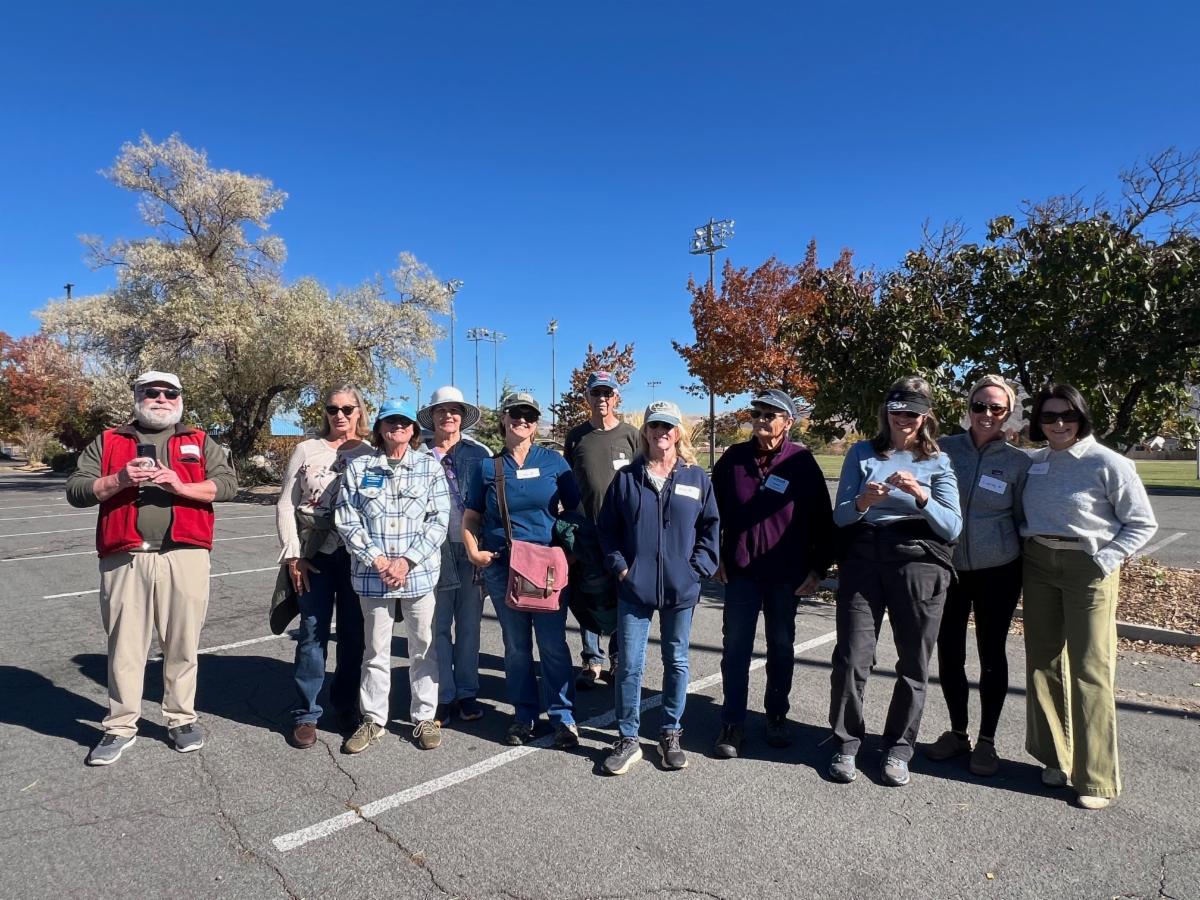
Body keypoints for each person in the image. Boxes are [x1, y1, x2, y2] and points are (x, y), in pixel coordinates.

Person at [67, 371, 238, 766]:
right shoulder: (110, 440)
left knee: (182, 643)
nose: (161, 399)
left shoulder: (196, 439)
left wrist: (181, 487)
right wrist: (119, 479)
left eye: (169, 393)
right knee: (125, 647)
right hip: (125, 557)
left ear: (179, 398)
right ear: (137, 396)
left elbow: (226, 485)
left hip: (186, 555)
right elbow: (77, 490)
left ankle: (180, 719)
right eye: (151, 392)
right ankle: (120, 726)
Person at [1020, 383, 1157, 810]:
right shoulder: (1036, 462)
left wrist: (1105, 560)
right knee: (1042, 661)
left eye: (1067, 415)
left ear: (1081, 417)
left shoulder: (1108, 462)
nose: (1058, 423)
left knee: (1090, 668)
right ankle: (1055, 759)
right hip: (1038, 563)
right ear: (1038, 422)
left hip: (1089, 568)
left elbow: (1141, 522)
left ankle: (1095, 778)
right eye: (1049, 416)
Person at [827, 376, 962, 787]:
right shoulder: (862, 452)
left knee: (913, 661)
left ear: (925, 418)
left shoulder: (938, 460)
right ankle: (847, 742)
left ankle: (900, 748)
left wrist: (922, 497)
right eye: (896, 410)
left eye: (912, 413)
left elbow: (952, 527)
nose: (903, 419)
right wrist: (863, 502)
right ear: (886, 413)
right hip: (865, 556)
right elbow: (841, 516)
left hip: (918, 561)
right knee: (852, 656)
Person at [596, 401, 720, 775]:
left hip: (680, 590)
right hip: (635, 588)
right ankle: (628, 737)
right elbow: (608, 529)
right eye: (654, 427)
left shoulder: (696, 478)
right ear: (645, 432)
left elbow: (710, 528)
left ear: (678, 432)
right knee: (630, 665)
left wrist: (695, 569)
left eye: (667, 427)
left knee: (677, 661)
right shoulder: (628, 478)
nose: (660, 433)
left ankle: (669, 732)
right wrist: (620, 568)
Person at [711, 389, 834, 758]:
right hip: (741, 572)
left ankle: (777, 715)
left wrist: (818, 569)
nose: (762, 419)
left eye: (771, 414)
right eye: (758, 412)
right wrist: (715, 555)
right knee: (735, 648)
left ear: (789, 422)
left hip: (786, 575)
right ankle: (733, 722)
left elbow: (822, 522)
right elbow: (709, 512)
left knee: (781, 646)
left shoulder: (802, 463)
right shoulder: (733, 460)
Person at [461, 391, 581, 747]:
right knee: (515, 646)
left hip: (546, 569)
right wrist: (473, 551)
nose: (522, 420)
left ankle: (563, 717)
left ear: (536, 421)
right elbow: (471, 516)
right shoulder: (488, 467)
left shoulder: (554, 462)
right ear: (503, 418)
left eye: (529, 415)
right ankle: (524, 715)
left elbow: (575, 513)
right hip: (503, 568)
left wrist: (568, 557)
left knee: (553, 644)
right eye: (515, 413)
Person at [925, 375, 1030, 775]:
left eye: (996, 408)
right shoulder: (943, 449)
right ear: (967, 409)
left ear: (1008, 414)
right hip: (948, 568)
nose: (986, 415)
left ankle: (987, 741)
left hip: (998, 571)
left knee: (991, 654)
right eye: (979, 406)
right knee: (950, 652)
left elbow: (1022, 519)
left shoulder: (1018, 463)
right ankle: (957, 733)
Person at [335, 400, 450, 754]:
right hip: (373, 576)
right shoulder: (359, 468)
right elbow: (346, 517)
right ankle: (373, 719)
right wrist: (378, 560)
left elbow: (438, 520)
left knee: (423, 649)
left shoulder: (429, 468)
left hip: (418, 576)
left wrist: (406, 562)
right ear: (380, 429)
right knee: (375, 651)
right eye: (389, 422)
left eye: (403, 422)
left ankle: (424, 717)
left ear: (414, 429)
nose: (396, 428)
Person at [275, 384, 375, 749]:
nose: (341, 416)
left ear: (360, 412)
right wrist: (292, 554)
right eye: (333, 409)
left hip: (354, 554)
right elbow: (287, 503)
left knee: (353, 634)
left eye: (348, 409)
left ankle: (345, 704)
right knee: (313, 632)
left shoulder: (370, 453)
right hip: (313, 553)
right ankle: (306, 713)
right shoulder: (306, 449)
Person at [417, 385, 492, 725]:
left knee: (470, 625)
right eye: (441, 410)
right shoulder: (417, 456)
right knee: (437, 626)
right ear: (431, 417)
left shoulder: (479, 454)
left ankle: (467, 692)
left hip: (470, 548)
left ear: (462, 417)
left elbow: (490, 503)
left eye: (454, 410)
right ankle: (443, 695)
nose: (448, 415)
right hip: (433, 550)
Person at [563, 371, 639, 688]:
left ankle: (618, 658)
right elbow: (567, 481)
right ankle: (592, 660)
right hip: (588, 531)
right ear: (588, 398)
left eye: (607, 393)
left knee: (623, 594)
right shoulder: (576, 437)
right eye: (596, 394)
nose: (602, 399)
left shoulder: (632, 436)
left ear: (616, 397)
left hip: (624, 533)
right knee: (589, 594)